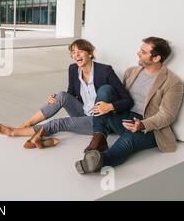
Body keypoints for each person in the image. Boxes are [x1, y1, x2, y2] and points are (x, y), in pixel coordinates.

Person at [0, 39, 133, 148]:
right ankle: (27, 124)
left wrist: (109, 107)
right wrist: (54, 100)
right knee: (61, 95)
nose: (76, 55)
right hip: (84, 112)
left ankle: (14, 132)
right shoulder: (73, 69)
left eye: (80, 51)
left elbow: (127, 100)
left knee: (60, 123)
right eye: (73, 52)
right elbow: (70, 94)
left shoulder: (105, 71)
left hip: (99, 120)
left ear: (90, 53)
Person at [76, 37, 184, 174]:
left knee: (128, 140)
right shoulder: (131, 72)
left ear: (156, 58)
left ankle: (100, 161)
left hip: (149, 127)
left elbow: (167, 115)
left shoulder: (173, 82)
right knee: (105, 90)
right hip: (125, 117)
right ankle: (99, 137)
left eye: (143, 52)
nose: (138, 53)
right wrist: (109, 107)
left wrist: (142, 124)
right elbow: (123, 99)